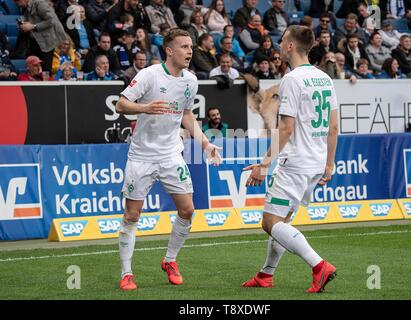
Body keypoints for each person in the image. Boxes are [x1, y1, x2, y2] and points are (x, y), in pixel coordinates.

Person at [115, 28, 222, 291]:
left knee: (187, 210)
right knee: (132, 214)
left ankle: (170, 260)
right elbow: (120, 104)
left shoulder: (190, 81)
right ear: (169, 50)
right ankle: (127, 273)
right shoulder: (149, 75)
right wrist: (144, 107)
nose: (190, 51)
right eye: (184, 47)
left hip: (171, 154)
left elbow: (187, 115)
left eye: (191, 46)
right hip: (141, 156)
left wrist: (206, 144)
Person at [242, 25, 339, 293]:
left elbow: (286, 128)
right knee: (281, 221)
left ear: (290, 46)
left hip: (295, 162)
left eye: (283, 39)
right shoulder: (324, 79)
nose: (280, 43)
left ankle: (319, 266)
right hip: (315, 162)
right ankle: (266, 274)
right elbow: (333, 127)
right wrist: (329, 164)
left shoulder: (291, 80)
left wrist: (264, 165)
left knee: (270, 223)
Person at [13, 0, 66, 72]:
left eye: (17, 2)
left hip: (46, 42)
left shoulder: (40, 4)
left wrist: (33, 26)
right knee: (33, 70)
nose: (17, 4)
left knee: (45, 70)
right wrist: (24, 26)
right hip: (34, 41)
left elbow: (51, 20)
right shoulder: (25, 7)